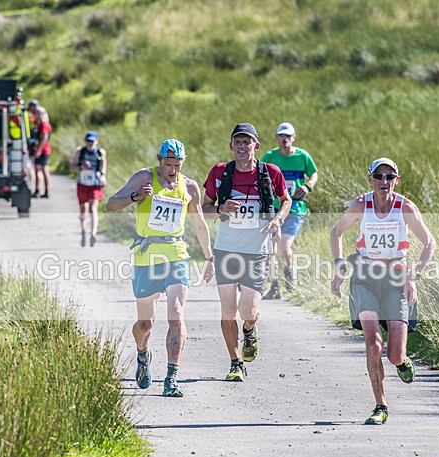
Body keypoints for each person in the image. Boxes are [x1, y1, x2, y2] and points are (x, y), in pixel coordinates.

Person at [330, 157, 436, 425]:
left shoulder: (405, 208)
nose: (384, 182)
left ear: (397, 180)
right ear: (370, 179)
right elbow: (336, 232)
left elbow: (429, 242)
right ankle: (380, 405)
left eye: (390, 177)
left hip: (396, 277)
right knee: (374, 345)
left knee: (394, 353)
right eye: (379, 176)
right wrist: (339, 266)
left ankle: (401, 362)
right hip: (365, 277)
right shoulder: (360, 205)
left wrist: (414, 276)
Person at [106, 139, 214, 397]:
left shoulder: (189, 187)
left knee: (176, 315)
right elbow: (111, 204)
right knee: (145, 325)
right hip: (147, 257)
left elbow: (199, 224)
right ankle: (143, 354)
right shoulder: (144, 177)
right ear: (159, 160)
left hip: (176, 254)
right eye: (168, 164)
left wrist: (210, 258)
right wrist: (135, 196)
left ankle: (171, 378)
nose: (172, 170)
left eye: (177, 165)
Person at [201, 123, 292, 382]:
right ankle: (235, 362)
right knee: (228, 313)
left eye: (247, 142)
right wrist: (220, 209)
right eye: (237, 142)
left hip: (258, 251)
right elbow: (201, 209)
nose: (242, 147)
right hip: (226, 251)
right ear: (231, 146)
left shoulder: (270, 172)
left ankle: (250, 329)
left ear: (256, 146)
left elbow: (286, 200)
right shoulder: (220, 173)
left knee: (247, 312)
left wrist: (278, 220)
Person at [260, 122, 319, 299]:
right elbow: (257, 174)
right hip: (273, 210)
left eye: (288, 136)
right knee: (271, 249)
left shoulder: (302, 156)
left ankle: (289, 270)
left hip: (294, 208)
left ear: (293, 138)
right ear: (277, 138)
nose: (284, 139)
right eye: (281, 136)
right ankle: (275, 286)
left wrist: (308, 186)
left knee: (285, 247)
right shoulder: (270, 156)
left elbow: (314, 173)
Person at [69, 131, 107, 247]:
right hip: (82, 184)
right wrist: (81, 167)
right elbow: (72, 168)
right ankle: (83, 232)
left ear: (96, 142)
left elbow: (103, 168)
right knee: (83, 209)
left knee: (93, 207)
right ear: (85, 142)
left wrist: (102, 177)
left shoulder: (100, 152)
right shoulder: (80, 152)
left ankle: (93, 234)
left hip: (94, 185)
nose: (90, 143)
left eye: (92, 141)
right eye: (88, 141)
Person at [31, 107, 52, 198]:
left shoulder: (44, 125)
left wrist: (38, 150)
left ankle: (40, 190)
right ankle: (39, 190)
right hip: (41, 150)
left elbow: (44, 138)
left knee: (40, 170)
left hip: (43, 151)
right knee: (40, 170)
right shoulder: (38, 124)